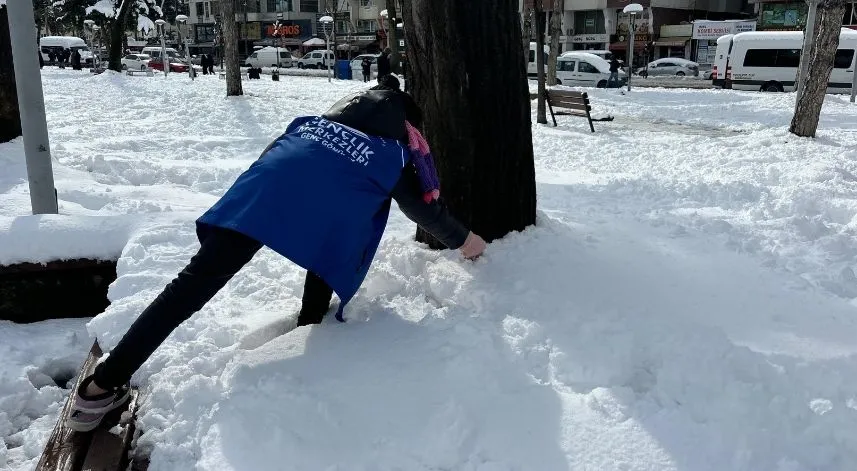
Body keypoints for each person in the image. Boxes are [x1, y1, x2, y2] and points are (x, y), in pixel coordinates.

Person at [65, 77, 487, 432]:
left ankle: (101, 386)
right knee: (337, 233)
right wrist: (468, 242)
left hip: (254, 202)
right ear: (405, 128)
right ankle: (310, 320)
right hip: (318, 216)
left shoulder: (308, 125)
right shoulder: (388, 155)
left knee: (188, 289)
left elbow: (272, 164)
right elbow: (421, 209)